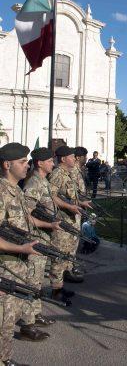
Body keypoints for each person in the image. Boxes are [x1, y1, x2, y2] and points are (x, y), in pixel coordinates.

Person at [0, 142, 58, 364]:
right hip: (6, 265)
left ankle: (5, 358)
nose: (27, 165)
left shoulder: (15, 189)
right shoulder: (2, 192)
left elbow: (26, 220)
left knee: (10, 318)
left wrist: (42, 230)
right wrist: (20, 248)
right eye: (22, 162)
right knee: (3, 322)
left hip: (18, 264)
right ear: (7, 164)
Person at [22, 147, 60, 329]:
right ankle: (28, 322)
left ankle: (35, 314)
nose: (53, 163)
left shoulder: (42, 182)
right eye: (50, 161)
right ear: (40, 163)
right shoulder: (34, 184)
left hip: (43, 238)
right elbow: (26, 215)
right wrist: (48, 225)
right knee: (32, 280)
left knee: (37, 279)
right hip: (35, 239)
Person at [48, 146, 91, 297]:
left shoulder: (67, 173)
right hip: (62, 220)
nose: (75, 159)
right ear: (64, 159)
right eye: (72, 157)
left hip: (72, 219)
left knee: (68, 252)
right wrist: (68, 206)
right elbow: (51, 196)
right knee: (59, 254)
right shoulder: (57, 174)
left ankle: (61, 284)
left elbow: (71, 195)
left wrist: (80, 203)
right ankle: (56, 289)